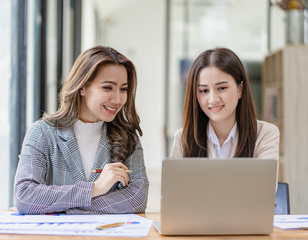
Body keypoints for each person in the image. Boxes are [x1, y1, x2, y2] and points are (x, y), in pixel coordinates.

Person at [14, 46, 149, 214]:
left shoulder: (128, 138)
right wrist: (94, 188)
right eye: (108, 87)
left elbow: (137, 198)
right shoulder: (42, 133)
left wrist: (62, 207)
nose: (118, 99)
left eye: (123, 89)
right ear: (83, 87)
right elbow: (25, 196)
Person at [170, 47, 279, 159]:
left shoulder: (265, 134)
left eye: (222, 88)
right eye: (204, 91)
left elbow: (265, 177)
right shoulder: (183, 139)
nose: (212, 100)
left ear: (240, 89)